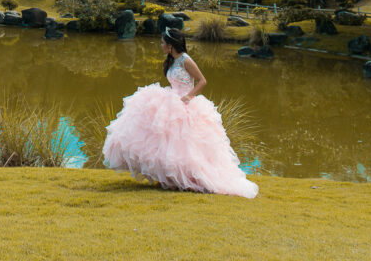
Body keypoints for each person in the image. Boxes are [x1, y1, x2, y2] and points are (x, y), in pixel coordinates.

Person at [102, 27, 258, 198]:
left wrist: (188, 97)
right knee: (162, 140)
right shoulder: (171, 60)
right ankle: (168, 178)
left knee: (183, 143)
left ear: (171, 45)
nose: (161, 45)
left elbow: (202, 80)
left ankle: (187, 178)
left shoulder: (185, 60)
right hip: (171, 99)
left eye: (163, 43)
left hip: (184, 102)